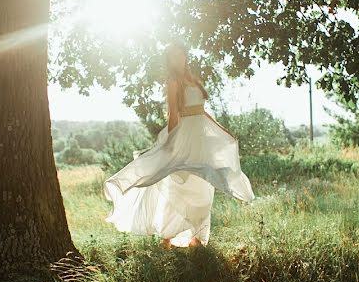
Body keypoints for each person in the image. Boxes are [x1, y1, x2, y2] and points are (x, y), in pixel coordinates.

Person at [104, 43, 255, 247]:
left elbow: (202, 111)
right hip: (183, 137)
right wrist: (172, 141)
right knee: (179, 185)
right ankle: (167, 237)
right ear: (170, 60)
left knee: (203, 186)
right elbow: (173, 114)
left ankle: (197, 236)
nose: (178, 58)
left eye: (181, 54)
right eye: (173, 56)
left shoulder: (194, 79)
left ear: (185, 55)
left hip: (199, 138)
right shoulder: (173, 82)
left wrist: (223, 130)